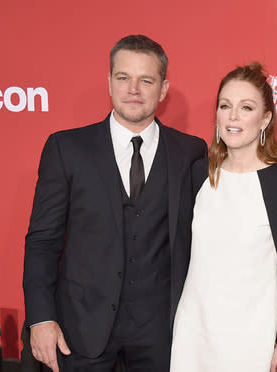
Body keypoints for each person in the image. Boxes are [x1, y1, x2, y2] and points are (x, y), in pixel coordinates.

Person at [23, 34, 207, 372]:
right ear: (109, 83)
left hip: (161, 337)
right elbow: (42, 242)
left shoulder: (191, 152)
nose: (133, 89)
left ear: (163, 89)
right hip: (81, 331)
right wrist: (41, 318)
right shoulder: (67, 149)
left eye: (146, 80)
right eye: (123, 78)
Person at [169, 63, 277, 372]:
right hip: (193, 336)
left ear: (265, 118)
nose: (233, 116)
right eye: (225, 106)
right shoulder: (199, 174)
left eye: (246, 107)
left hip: (252, 341)